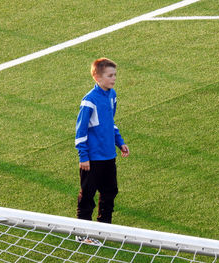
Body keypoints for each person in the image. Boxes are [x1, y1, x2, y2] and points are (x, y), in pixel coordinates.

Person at [75, 58, 129, 244]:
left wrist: (119, 142)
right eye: (110, 75)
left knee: (110, 192)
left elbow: (110, 123)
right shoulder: (89, 101)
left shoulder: (112, 95)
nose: (114, 79)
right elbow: (80, 131)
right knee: (88, 195)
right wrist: (84, 156)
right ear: (97, 77)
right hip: (92, 159)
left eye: (115, 75)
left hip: (109, 156)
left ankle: (104, 228)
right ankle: (82, 233)